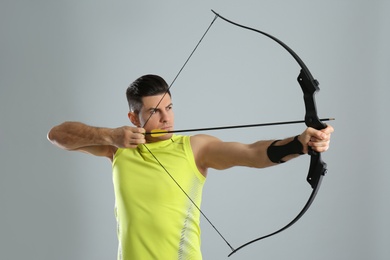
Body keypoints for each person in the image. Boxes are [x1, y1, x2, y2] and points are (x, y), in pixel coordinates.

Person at [47, 74, 334, 260]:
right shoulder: (118, 149)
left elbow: (250, 153)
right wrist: (111, 135)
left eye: (169, 108)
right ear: (134, 118)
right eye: (154, 112)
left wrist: (299, 144)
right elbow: (58, 135)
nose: (166, 118)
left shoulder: (194, 149)